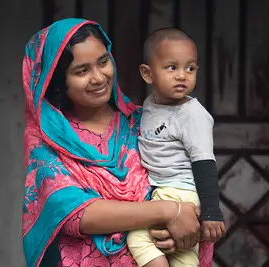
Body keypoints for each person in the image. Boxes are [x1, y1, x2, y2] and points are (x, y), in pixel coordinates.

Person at [21, 18, 213, 267]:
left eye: (103, 62)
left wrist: (180, 235)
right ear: (57, 80)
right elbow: (74, 212)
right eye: (82, 70)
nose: (99, 77)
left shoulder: (144, 123)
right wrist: (169, 212)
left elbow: (190, 185)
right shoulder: (48, 141)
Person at [126, 28, 225, 267]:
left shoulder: (192, 114)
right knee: (183, 254)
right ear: (147, 74)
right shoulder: (150, 105)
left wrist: (211, 212)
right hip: (162, 192)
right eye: (172, 67)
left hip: (180, 192)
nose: (182, 75)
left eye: (190, 68)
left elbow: (204, 163)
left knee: (138, 237)